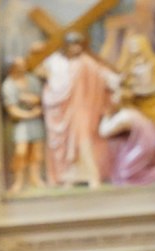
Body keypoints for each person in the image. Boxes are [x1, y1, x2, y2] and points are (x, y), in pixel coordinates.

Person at [37, 31, 120, 188]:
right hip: (62, 108)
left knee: (83, 140)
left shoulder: (86, 62)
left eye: (78, 45)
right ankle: (70, 176)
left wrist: (117, 81)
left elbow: (103, 75)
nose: (75, 48)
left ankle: (92, 176)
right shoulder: (55, 61)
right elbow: (41, 72)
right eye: (72, 45)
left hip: (81, 108)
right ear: (66, 46)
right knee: (68, 143)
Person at [100, 86, 155, 187]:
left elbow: (104, 131)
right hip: (147, 151)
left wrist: (106, 114)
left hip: (140, 156)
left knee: (126, 174)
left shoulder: (126, 115)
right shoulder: (135, 114)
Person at [0, 58, 45, 195]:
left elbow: (39, 98)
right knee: (21, 152)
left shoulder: (31, 80)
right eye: (18, 66)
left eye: (23, 66)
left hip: (35, 122)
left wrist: (31, 100)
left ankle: (35, 178)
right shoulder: (9, 85)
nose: (22, 68)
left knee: (36, 152)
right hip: (21, 123)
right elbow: (12, 109)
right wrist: (30, 113)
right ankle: (18, 181)